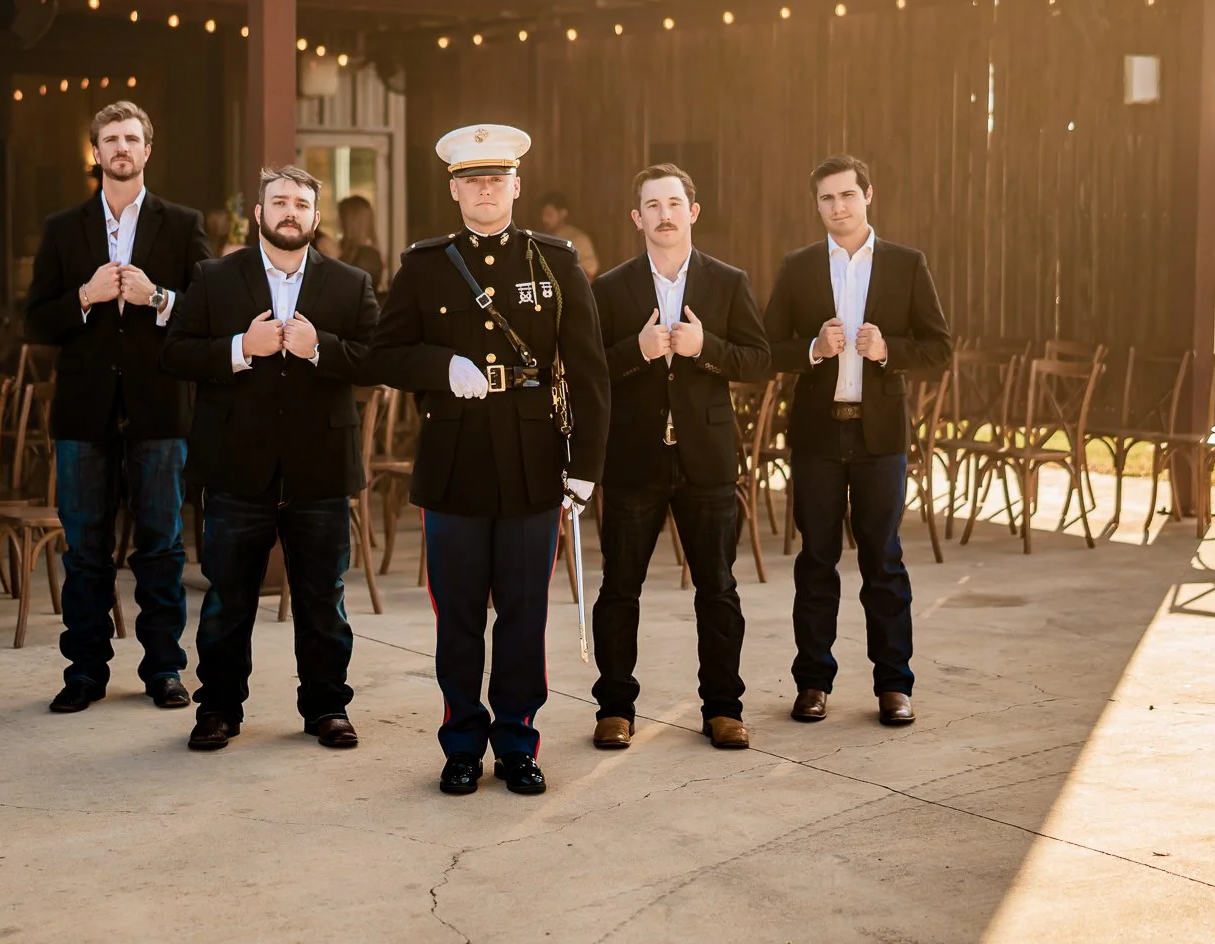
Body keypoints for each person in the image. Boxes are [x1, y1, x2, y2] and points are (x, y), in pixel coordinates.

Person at [368, 124, 609, 796]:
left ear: (516, 186)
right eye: (472, 180)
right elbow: (382, 354)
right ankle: (462, 744)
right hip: (454, 462)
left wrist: (585, 464)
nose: (485, 189)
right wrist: (441, 365)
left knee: (526, 614)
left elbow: (589, 373)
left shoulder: (555, 262)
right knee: (461, 615)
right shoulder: (424, 265)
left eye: (496, 179)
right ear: (453, 189)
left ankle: (518, 742)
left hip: (535, 461)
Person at [162, 165, 378, 753]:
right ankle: (218, 709)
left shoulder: (350, 282)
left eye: (301, 204)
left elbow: (378, 359)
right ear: (258, 214)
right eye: (278, 202)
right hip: (236, 464)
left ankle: (327, 706)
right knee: (228, 595)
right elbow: (175, 354)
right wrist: (238, 348)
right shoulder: (212, 278)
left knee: (321, 595)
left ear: (315, 217)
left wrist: (320, 349)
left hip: (321, 467)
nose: (290, 212)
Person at [24, 100, 211, 714]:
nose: (122, 147)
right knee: (85, 548)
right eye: (111, 139)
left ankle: (163, 669)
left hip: (159, 411)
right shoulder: (62, 227)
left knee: (159, 546)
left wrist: (159, 298)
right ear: (96, 153)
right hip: (84, 413)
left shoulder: (182, 225)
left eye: (132, 137)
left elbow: (209, 317)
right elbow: (34, 322)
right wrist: (85, 295)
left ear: (148, 150)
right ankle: (84, 671)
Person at [762, 154, 952, 727]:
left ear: (869, 195)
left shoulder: (905, 264)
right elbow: (767, 347)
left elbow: (940, 349)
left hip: (880, 439)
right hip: (818, 435)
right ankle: (813, 683)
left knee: (883, 561)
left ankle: (895, 685)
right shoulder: (798, 267)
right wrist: (814, 348)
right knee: (815, 560)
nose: (838, 208)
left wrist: (887, 349)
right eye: (827, 199)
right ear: (816, 205)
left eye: (847, 195)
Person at [589, 164, 769, 751]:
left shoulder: (728, 281)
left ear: (692, 211)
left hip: (707, 459)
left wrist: (705, 348)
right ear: (637, 218)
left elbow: (758, 360)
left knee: (717, 587)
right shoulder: (610, 288)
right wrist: (636, 352)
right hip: (633, 459)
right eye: (652, 205)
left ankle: (723, 708)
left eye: (674, 203)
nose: (664, 214)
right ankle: (614, 707)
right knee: (620, 587)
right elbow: (588, 371)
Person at [538, 192, 601, 279]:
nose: (544, 219)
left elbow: (588, 275)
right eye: (543, 214)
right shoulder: (540, 239)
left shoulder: (579, 239)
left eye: (549, 214)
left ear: (563, 213)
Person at [337, 195, 386, 288]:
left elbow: (349, 288)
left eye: (340, 217)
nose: (337, 221)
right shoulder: (350, 250)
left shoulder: (368, 257)